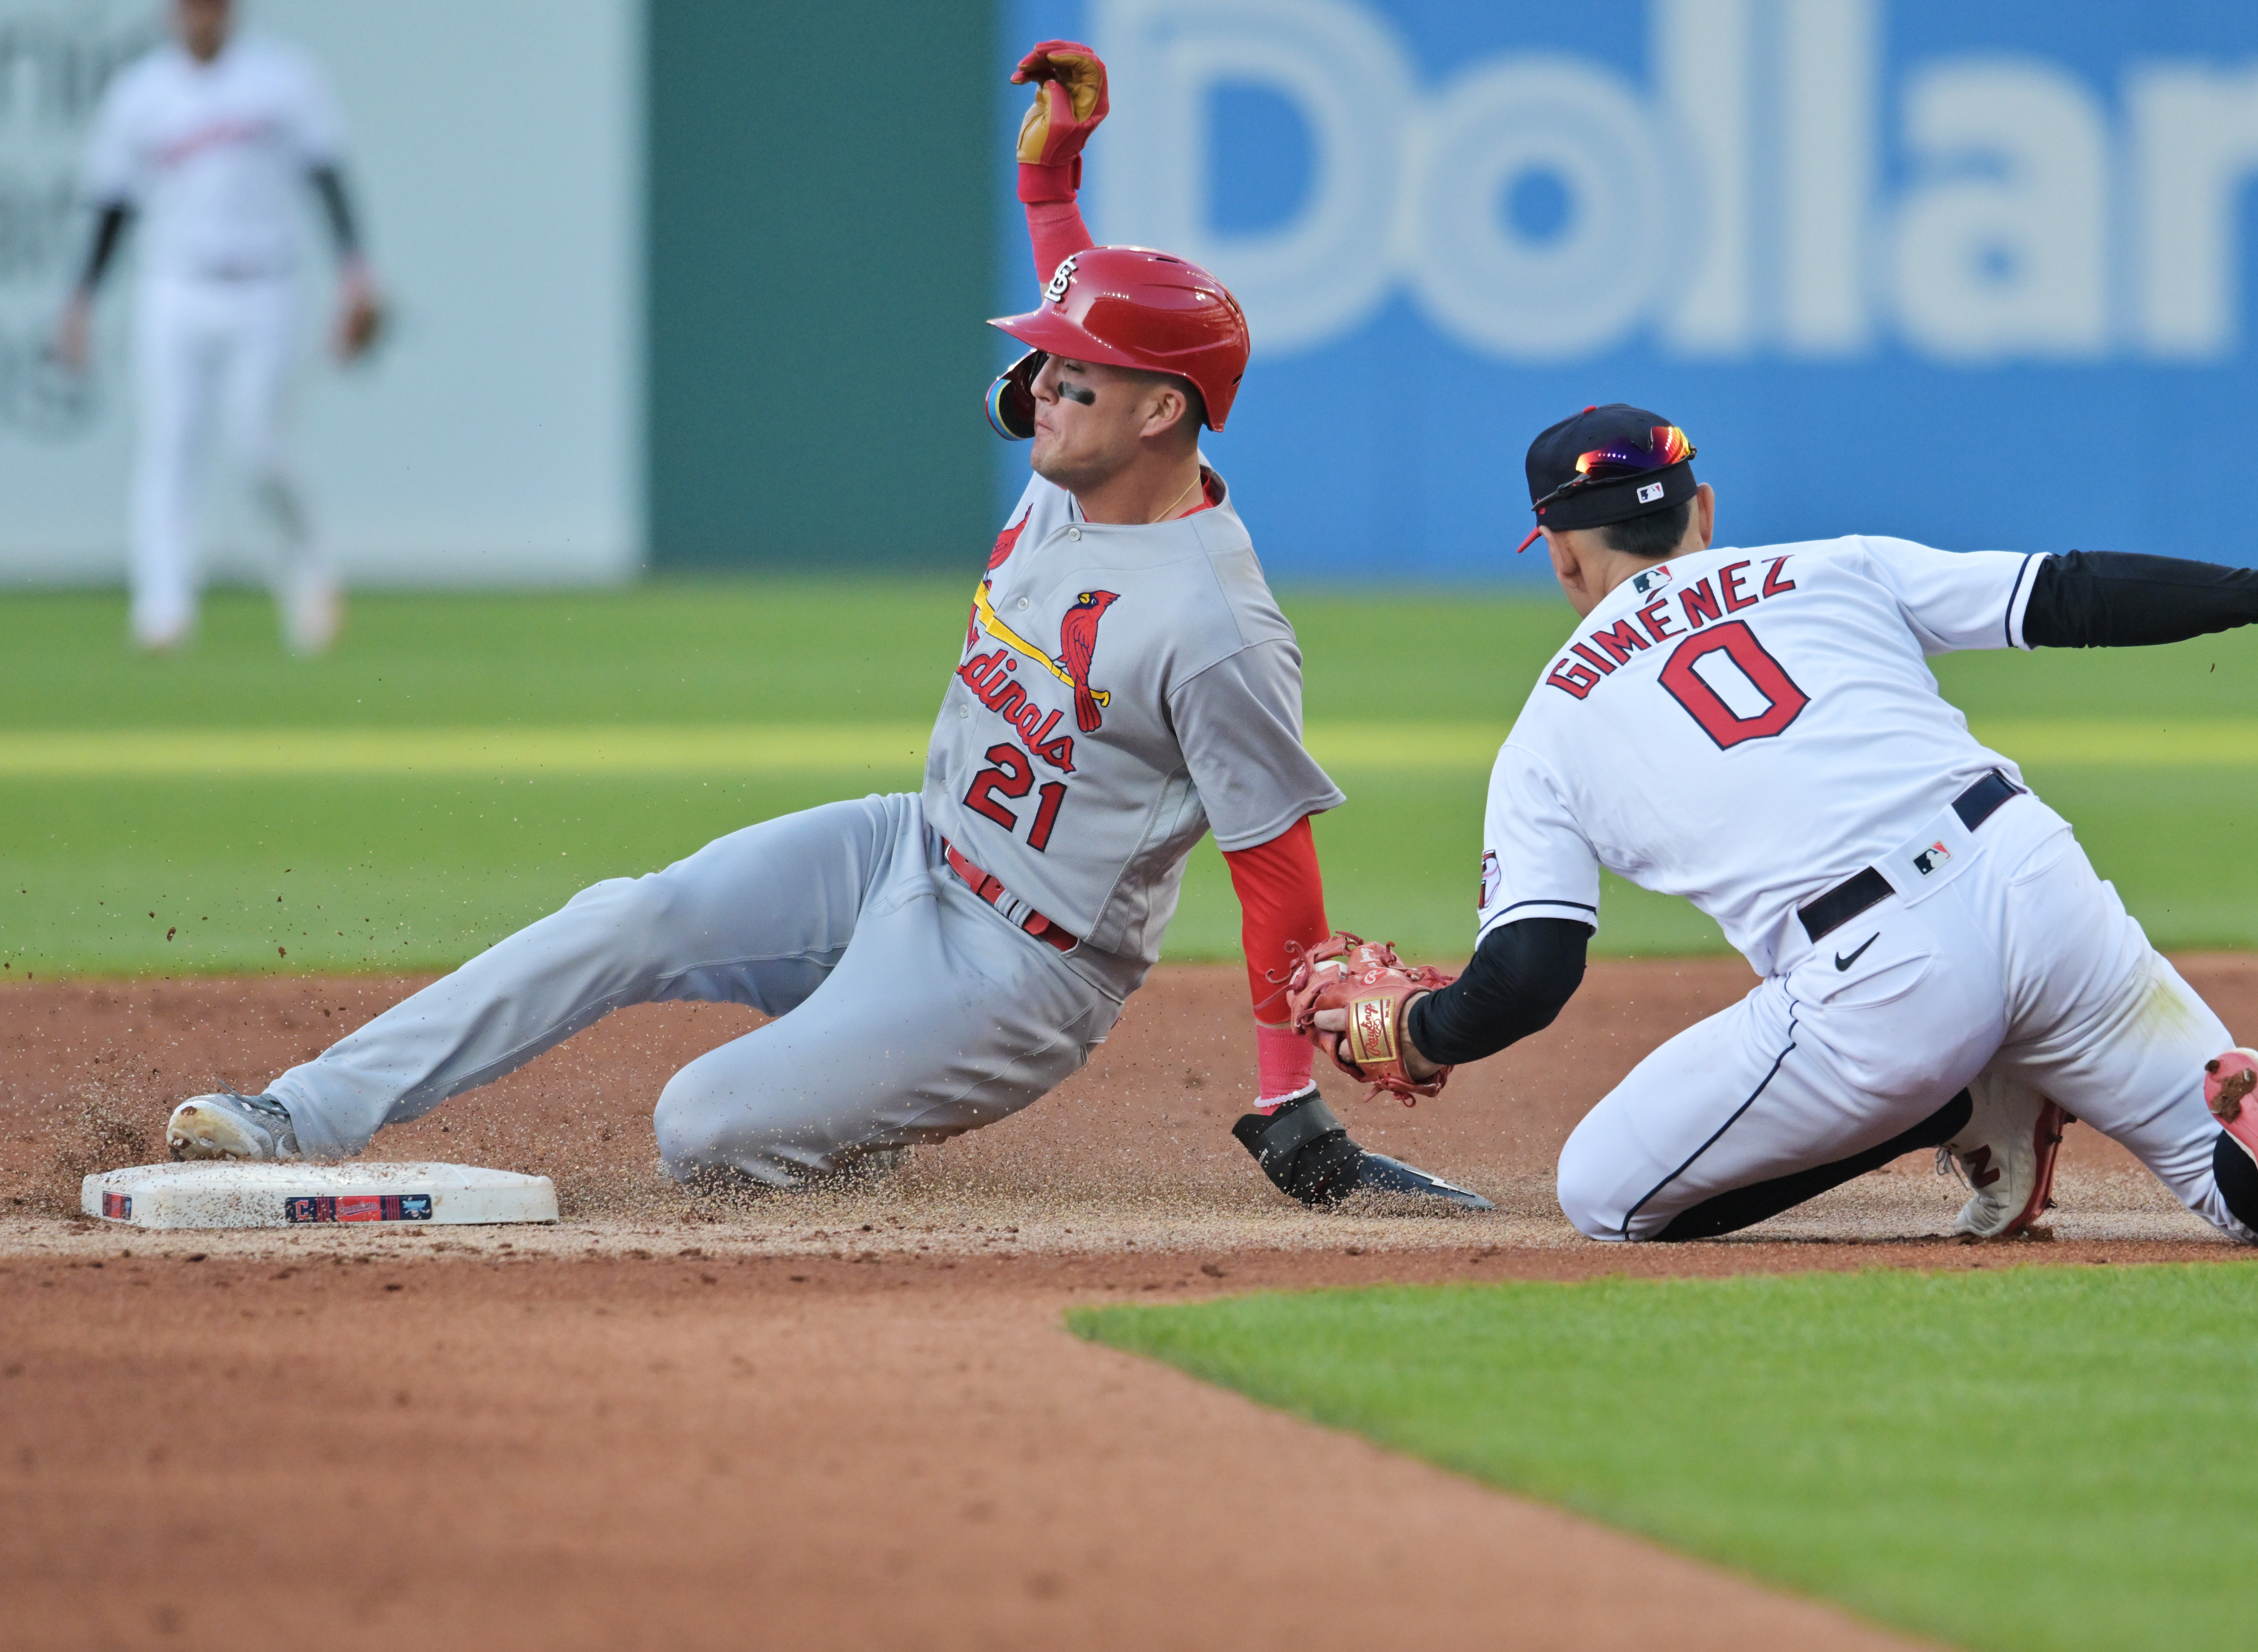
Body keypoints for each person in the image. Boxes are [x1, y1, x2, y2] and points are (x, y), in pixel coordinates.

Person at [160, 40, 1487, 1216]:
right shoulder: (1078, 458)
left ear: (1159, 417)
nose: (1039, 388)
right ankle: (303, 1110)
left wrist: (1286, 1098)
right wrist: (1049, 186)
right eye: (1044, 361)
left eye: (1072, 375)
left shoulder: (1213, 626)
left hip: (1021, 973)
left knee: (701, 1130)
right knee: (633, 914)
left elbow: (1273, 868)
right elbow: (1086, 315)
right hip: (903, 847)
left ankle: (853, 1109)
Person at [1310, 404, 2258, 1253]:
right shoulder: (1831, 566)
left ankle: (1963, 1098)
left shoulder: (1548, 725)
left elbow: (1529, 974)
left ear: (1556, 555)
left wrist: (1418, 1029)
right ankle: (2253, 1107)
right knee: (2232, 1192)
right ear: (1702, 512)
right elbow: (2069, 593)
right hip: (2034, 876)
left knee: (1604, 1193)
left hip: (1884, 984)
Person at [55, 0, 385, 655]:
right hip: (175, 286)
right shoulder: (141, 94)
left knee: (259, 448)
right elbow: (114, 203)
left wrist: (355, 272)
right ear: (170, 14)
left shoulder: (282, 80)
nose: (201, 16)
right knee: (169, 446)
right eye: (189, 6)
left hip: (265, 283)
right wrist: (82, 298)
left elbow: (327, 175)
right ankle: (164, 606)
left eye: (213, 5)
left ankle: (309, 568)